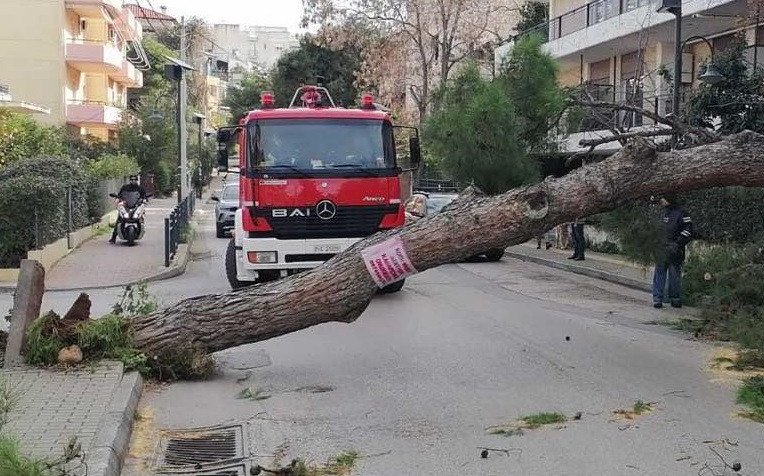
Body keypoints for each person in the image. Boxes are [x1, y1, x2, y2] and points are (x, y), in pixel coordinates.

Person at [652, 193, 693, 308]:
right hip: (661, 248)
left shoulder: (681, 213)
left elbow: (688, 230)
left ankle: (675, 298)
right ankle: (657, 299)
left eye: (663, 198)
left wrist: (677, 243)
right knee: (659, 273)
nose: (661, 200)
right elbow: (654, 230)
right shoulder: (661, 212)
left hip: (675, 249)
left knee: (674, 275)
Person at [109, 175, 147, 244]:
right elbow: (120, 195)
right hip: (126, 205)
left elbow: (144, 196)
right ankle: (113, 237)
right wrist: (118, 199)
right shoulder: (125, 187)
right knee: (119, 219)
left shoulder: (140, 188)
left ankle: (141, 229)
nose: (133, 181)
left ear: (137, 180)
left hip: (136, 206)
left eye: (134, 179)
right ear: (130, 180)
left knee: (141, 216)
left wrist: (144, 200)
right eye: (131, 179)